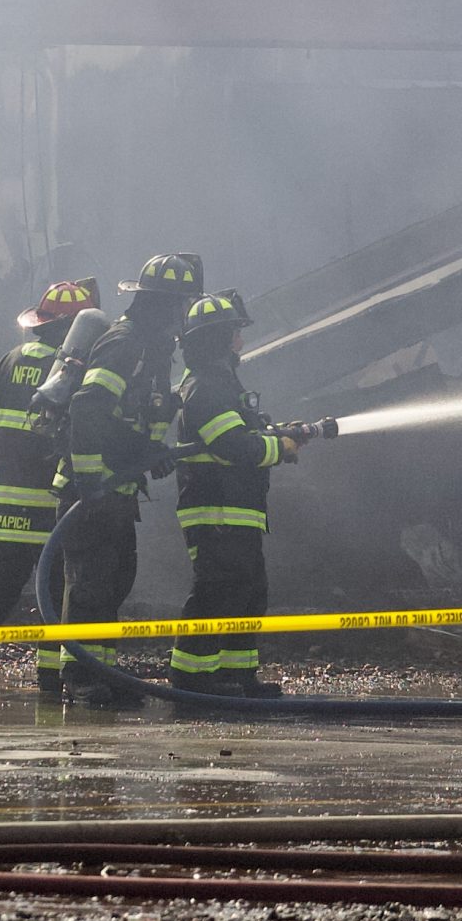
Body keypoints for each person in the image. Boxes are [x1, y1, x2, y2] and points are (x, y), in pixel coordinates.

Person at [56, 252, 204, 706]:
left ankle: (102, 669)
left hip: (115, 489)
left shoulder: (153, 349)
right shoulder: (126, 344)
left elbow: (133, 418)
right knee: (91, 584)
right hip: (92, 489)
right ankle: (79, 674)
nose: (185, 316)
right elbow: (87, 408)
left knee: (116, 579)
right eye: (182, 305)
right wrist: (90, 482)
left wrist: (150, 454)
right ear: (165, 305)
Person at [0, 278, 100, 686]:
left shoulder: (10, 359)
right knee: (56, 586)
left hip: (3, 499)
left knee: (0, 578)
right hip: (50, 504)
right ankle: (50, 675)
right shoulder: (73, 369)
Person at [168, 289, 299, 698]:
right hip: (215, 510)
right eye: (234, 334)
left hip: (235, 510)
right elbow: (233, 447)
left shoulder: (220, 382)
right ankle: (192, 678)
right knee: (217, 592)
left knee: (248, 592)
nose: (241, 341)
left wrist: (276, 435)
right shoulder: (205, 387)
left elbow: (242, 435)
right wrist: (280, 447)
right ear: (218, 339)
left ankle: (236, 675)